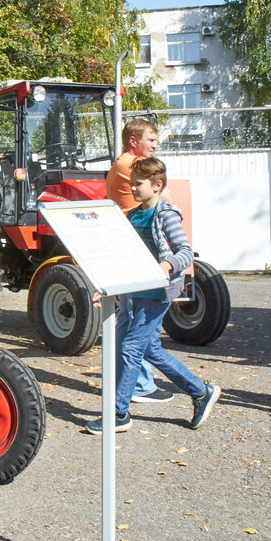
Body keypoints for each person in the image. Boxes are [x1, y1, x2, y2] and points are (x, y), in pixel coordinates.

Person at [87, 157, 221, 434]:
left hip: (158, 292)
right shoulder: (133, 216)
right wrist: (103, 285)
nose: (133, 189)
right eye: (132, 184)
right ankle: (200, 390)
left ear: (157, 185)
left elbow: (185, 252)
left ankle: (118, 413)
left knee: (131, 348)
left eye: (138, 184)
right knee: (148, 348)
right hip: (134, 292)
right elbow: (122, 256)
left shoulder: (165, 214)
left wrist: (167, 264)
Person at [106, 118, 170, 404]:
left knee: (130, 322)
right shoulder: (131, 165)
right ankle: (140, 384)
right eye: (151, 140)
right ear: (134, 141)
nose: (155, 146)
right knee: (136, 325)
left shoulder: (124, 162)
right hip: (138, 248)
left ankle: (129, 382)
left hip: (136, 245)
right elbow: (163, 193)